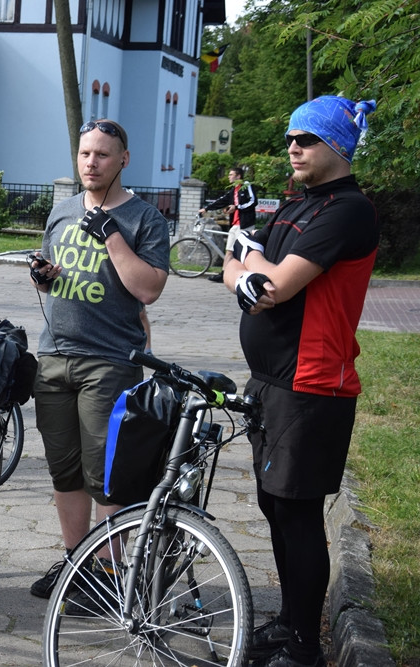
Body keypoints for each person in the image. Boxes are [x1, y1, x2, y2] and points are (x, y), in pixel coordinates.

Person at [222, 96, 378, 667]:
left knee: (298, 511)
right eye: (291, 137)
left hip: (313, 384)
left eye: (307, 138)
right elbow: (233, 265)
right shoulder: (297, 205)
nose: (294, 146)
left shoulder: (348, 210)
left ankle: (305, 647)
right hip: (271, 380)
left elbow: (271, 288)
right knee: (273, 505)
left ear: (337, 146)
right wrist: (247, 270)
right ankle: (289, 622)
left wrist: (251, 273)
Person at [26, 119, 170, 603]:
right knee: (64, 471)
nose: (92, 163)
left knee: (106, 475)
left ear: (123, 160)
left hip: (109, 361)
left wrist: (111, 236)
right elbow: (52, 277)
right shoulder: (62, 210)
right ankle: (76, 566)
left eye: (103, 155)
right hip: (54, 355)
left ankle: (108, 575)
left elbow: (148, 288)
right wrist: (43, 276)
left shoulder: (145, 218)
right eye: (86, 154)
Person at [199, 165, 258, 282]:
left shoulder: (246, 186)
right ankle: (224, 274)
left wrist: (237, 207)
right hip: (235, 224)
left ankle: (246, 274)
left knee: (243, 251)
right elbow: (222, 200)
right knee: (229, 250)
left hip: (245, 224)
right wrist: (207, 209)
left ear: (238, 176)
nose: (229, 177)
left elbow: (253, 201)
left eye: (231, 175)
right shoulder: (233, 190)